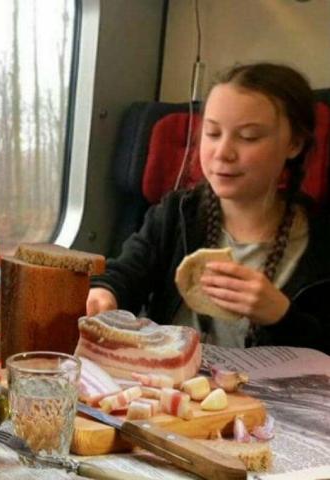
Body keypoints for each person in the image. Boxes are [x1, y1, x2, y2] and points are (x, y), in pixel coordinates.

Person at [86, 62, 330, 354]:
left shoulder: (321, 243)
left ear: (294, 144)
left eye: (249, 137)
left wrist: (282, 316)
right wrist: (105, 293)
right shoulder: (176, 214)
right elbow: (124, 274)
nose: (223, 153)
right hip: (166, 379)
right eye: (213, 134)